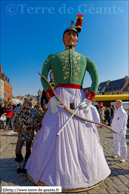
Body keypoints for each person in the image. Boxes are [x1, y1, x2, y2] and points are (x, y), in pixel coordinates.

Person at [26, 14, 110, 191]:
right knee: (52, 132)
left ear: (77, 39)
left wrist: (90, 98)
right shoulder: (53, 57)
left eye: (75, 35)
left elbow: (95, 77)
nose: (72, 37)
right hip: (60, 96)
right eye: (68, 35)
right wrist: (51, 96)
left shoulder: (85, 59)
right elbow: (43, 76)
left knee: (83, 132)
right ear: (63, 39)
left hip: (78, 98)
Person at [13, 98, 43, 173]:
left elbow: (40, 117)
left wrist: (46, 112)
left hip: (29, 133)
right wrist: (15, 128)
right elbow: (14, 120)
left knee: (28, 150)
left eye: (28, 104)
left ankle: (27, 166)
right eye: (25, 103)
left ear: (30, 104)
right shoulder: (20, 111)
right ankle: (20, 165)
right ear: (23, 104)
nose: (26, 105)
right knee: (17, 150)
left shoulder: (34, 111)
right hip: (21, 133)